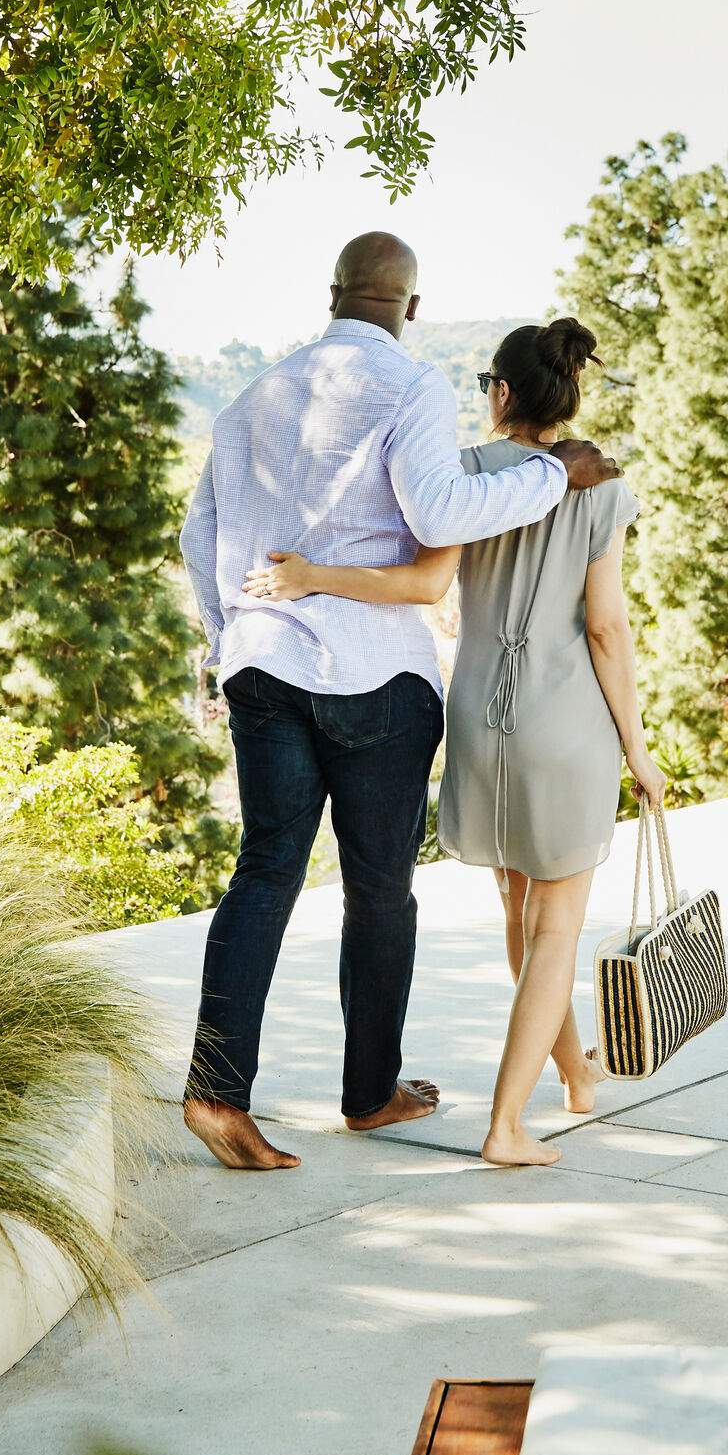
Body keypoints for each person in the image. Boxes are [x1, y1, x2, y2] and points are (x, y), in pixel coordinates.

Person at [176, 237, 619, 1172]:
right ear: (411, 309)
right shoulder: (410, 386)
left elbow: (199, 531)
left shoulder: (249, 398)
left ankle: (218, 1090)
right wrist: (555, 473)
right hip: (376, 676)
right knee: (380, 890)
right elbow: (441, 515)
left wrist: (231, 640)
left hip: (262, 664)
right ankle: (369, 1091)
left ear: (332, 293)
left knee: (265, 874)